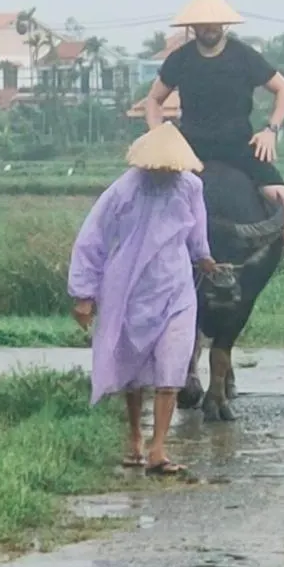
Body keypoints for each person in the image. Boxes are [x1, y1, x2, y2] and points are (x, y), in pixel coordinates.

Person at [145, 0, 284, 314]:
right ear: (193, 28)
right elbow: (154, 100)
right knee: (146, 198)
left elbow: (283, 91)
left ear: (224, 25)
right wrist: (159, 137)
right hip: (190, 148)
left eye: (214, 23)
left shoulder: (243, 56)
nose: (209, 28)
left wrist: (270, 130)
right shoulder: (181, 59)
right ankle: (138, 276)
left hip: (239, 145)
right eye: (202, 24)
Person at [68, 122, 216, 476]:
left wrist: (205, 258)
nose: (166, 172)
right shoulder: (124, 190)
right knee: (132, 366)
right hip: (130, 284)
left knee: (173, 364)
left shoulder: (191, 187)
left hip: (177, 284)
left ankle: (158, 448)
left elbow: (197, 234)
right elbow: (92, 239)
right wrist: (84, 293)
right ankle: (135, 437)